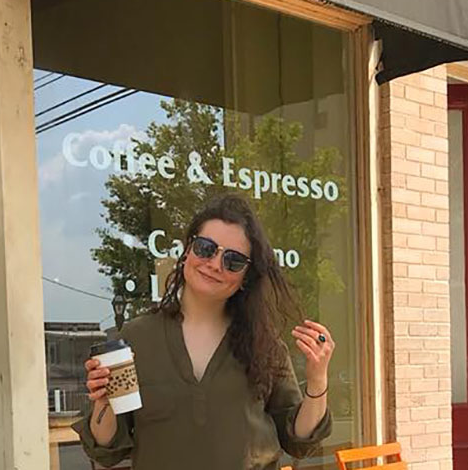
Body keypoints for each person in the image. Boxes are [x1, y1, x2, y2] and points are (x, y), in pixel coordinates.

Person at [74, 194, 335, 469]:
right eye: (205, 247)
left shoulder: (264, 345)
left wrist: (317, 381)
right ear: (188, 250)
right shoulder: (136, 338)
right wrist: (103, 401)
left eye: (233, 261)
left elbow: (300, 440)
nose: (214, 264)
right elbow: (106, 449)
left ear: (246, 276)